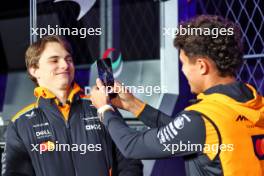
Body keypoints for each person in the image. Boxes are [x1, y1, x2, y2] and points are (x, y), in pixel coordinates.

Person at [90, 15, 264, 176]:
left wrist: (105, 109)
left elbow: (132, 146)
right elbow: (185, 131)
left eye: (184, 63)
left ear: (202, 66)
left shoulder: (202, 119)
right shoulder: (255, 102)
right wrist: (133, 104)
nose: (183, 70)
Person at [2, 35, 143, 176]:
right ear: (34, 70)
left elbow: (130, 161)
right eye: (54, 60)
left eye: (68, 59)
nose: (65, 65)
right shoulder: (20, 123)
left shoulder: (101, 105)